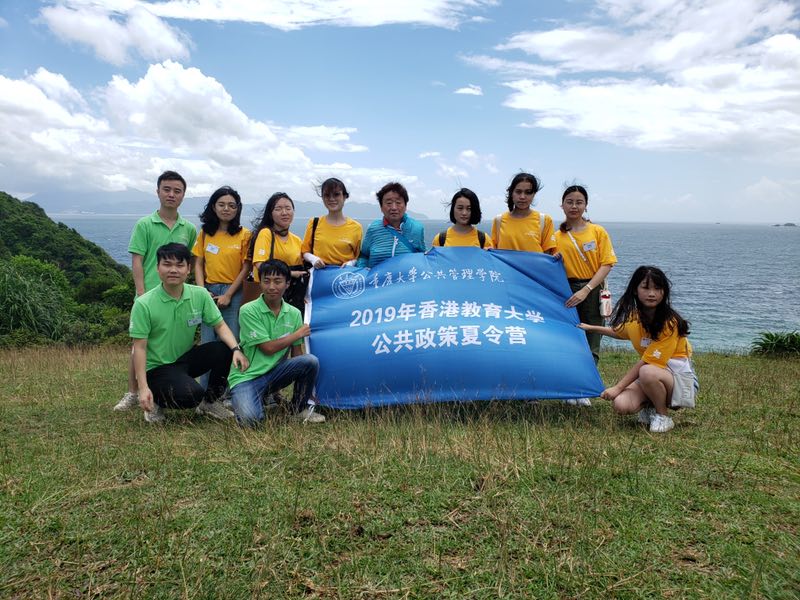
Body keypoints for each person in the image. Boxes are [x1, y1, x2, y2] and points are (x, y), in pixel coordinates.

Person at [129, 243, 248, 423]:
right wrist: (143, 387)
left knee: (225, 350)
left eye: (179, 265)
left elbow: (220, 326)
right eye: (167, 264)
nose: (173, 270)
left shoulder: (199, 295)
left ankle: (209, 403)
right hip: (156, 369)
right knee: (192, 395)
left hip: (184, 361)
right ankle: (155, 399)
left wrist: (236, 349)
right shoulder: (144, 303)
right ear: (157, 268)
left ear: (188, 269)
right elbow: (139, 348)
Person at [114, 170, 197, 412]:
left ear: (183, 195)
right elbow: (137, 260)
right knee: (139, 345)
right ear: (158, 191)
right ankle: (133, 392)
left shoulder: (189, 229)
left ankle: (164, 386)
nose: (171, 194)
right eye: (166, 189)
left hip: (176, 296)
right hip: (149, 295)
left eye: (177, 191)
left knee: (171, 345)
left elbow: (189, 262)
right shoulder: (145, 224)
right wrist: (141, 294)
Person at [579, 266, 697, 433]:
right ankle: (650, 407)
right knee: (621, 404)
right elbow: (619, 332)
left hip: (680, 383)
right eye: (646, 288)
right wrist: (590, 328)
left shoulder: (669, 323)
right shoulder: (635, 317)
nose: (652, 293)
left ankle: (663, 416)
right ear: (635, 290)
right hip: (652, 377)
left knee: (647, 371)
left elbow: (647, 363)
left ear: (664, 292)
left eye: (657, 288)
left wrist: (618, 387)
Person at [228, 259, 324, 426]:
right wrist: (297, 334)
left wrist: (305, 388)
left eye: (278, 281)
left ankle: (299, 409)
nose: (271, 286)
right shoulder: (248, 310)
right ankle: (247, 398)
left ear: (287, 284)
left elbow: (297, 354)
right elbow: (268, 348)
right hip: (247, 377)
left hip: (275, 374)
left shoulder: (294, 313)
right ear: (260, 283)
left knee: (310, 361)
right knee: (250, 421)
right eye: (266, 281)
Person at [555, 184, 617, 406]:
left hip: (591, 289)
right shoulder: (556, 236)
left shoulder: (597, 232)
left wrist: (587, 289)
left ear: (586, 205)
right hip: (565, 291)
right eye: (569, 202)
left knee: (592, 338)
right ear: (562, 205)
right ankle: (568, 389)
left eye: (579, 202)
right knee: (568, 339)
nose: (574, 206)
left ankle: (583, 389)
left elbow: (607, 263)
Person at [193, 186, 252, 345]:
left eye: (231, 205)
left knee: (232, 339)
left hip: (234, 292)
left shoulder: (245, 235)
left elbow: (246, 268)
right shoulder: (205, 233)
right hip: (209, 291)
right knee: (207, 340)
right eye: (221, 204)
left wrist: (228, 295)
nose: (226, 209)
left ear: (237, 209)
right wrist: (202, 291)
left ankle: (230, 363)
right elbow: (198, 263)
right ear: (214, 207)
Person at [250, 193, 308, 314]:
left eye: (288, 208)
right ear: (270, 213)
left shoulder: (296, 240)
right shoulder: (266, 234)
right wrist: (291, 274)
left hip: (291, 297)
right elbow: (259, 264)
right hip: (270, 294)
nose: (284, 212)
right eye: (278, 209)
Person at [356, 182, 425, 268]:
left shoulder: (416, 228)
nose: (394, 208)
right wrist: (363, 270)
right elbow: (364, 256)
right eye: (389, 203)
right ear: (381, 207)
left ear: (405, 206)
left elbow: (423, 258)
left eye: (398, 202)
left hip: (405, 276)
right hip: (377, 276)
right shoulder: (373, 228)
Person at [491, 172, 558, 256]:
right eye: (518, 192)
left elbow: (547, 257)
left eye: (528, 192)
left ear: (534, 194)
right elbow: (493, 253)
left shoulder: (544, 221)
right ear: (512, 193)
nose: (522, 197)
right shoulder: (498, 221)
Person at [302, 177, 363, 268]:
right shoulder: (314, 223)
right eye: (327, 195)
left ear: (344, 197)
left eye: (336, 194)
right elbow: (305, 251)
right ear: (322, 198)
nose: (331, 199)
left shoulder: (356, 227)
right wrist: (313, 259)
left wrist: (351, 263)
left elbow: (359, 257)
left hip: (344, 274)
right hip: (319, 274)